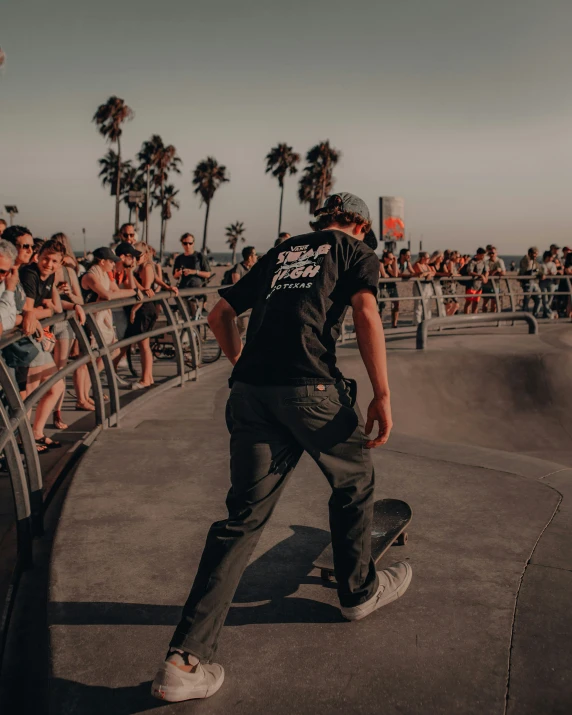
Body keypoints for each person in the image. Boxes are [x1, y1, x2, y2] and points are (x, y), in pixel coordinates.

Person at [151, 192, 411, 703]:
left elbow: (219, 313)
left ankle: (184, 663)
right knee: (355, 480)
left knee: (241, 519)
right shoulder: (355, 252)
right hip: (312, 390)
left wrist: (243, 364)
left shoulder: (285, 249)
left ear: (323, 219)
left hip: (250, 395)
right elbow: (364, 312)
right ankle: (358, 592)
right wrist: (381, 394)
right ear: (358, 223)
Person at [20, 238, 85, 450]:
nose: (48, 263)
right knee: (28, 393)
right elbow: (28, 312)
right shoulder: (30, 274)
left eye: (54, 261)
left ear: (60, 263)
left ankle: (36, 433)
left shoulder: (49, 277)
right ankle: (24, 440)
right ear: (38, 256)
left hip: (38, 338)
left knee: (55, 387)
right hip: (26, 340)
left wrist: (75, 306)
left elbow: (56, 306)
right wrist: (46, 309)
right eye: (46, 258)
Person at [49, 233, 87, 429]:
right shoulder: (44, 270)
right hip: (47, 323)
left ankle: (57, 413)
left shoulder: (68, 272)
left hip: (64, 325)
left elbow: (80, 300)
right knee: (40, 372)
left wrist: (68, 293)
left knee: (60, 370)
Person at [463, 248, 489, 314]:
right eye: (482, 255)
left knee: (476, 302)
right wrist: (480, 275)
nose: (483, 257)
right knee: (468, 302)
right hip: (471, 285)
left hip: (479, 285)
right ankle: (466, 317)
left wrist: (485, 277)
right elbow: (470, 272)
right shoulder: (472, 261)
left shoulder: (483, 262)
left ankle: (474, 316)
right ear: (478, 254)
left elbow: (486, 270)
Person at [378, 250, 399, 327]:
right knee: (381, 306)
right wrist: (390, 275)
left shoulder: (388, 265)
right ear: (385, 258)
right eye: (390, 258)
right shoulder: (380, 263)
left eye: (393, 258)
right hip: (381, 287)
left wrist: (395, 262)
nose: (392, 260)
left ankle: (394, 324)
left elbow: (395, 274)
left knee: (396, 304)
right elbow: (384, 275)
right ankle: (379, 324)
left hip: (389, 286)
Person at [412, 251, 434, 324]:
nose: (428, 259)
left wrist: (427, 273)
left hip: (427, 285)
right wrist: (428, 273)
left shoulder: (426, 265)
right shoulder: (417, 264)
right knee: (419, 305)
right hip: (419, 285)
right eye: (427, 258)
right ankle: (417, 322)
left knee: (428, 304)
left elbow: (432, 272)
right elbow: (421, 273)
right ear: (423, 258)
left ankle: (427, 321)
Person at [481, 246, 505, 313]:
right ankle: (484, 316)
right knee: (485, 302)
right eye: (490, 253)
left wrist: (496, 272)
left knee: (494, 303)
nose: (492, 255)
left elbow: (503, 272)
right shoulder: (486, 262)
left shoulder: (500, 261)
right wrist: (496, 271)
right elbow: (487, 272)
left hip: (496, 285)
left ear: (496, 253)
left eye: (493, 253)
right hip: (487, 285)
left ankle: (492, 317)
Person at [518, 247, 541, 316]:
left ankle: (535, 314)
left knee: (539, 298)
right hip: (527, 282)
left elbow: (538, 269)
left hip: (534, 282)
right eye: (534, 254)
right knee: (527, 299)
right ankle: (526, 315)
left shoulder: (535, 261)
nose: (535, 256)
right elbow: (525, 271)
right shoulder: (525, 260)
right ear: (530, 253)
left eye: (536, 254)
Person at [538, 250, 558, 319]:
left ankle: (546, 313)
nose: (550, 258)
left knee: (549, 299)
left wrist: (548, 273)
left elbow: (554, 272)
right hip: (543, 282)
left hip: (551, 282)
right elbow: (541, 272)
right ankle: (550, 313)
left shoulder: (552, 264)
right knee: (544, 298)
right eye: (549, 257)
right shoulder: (541, 264)